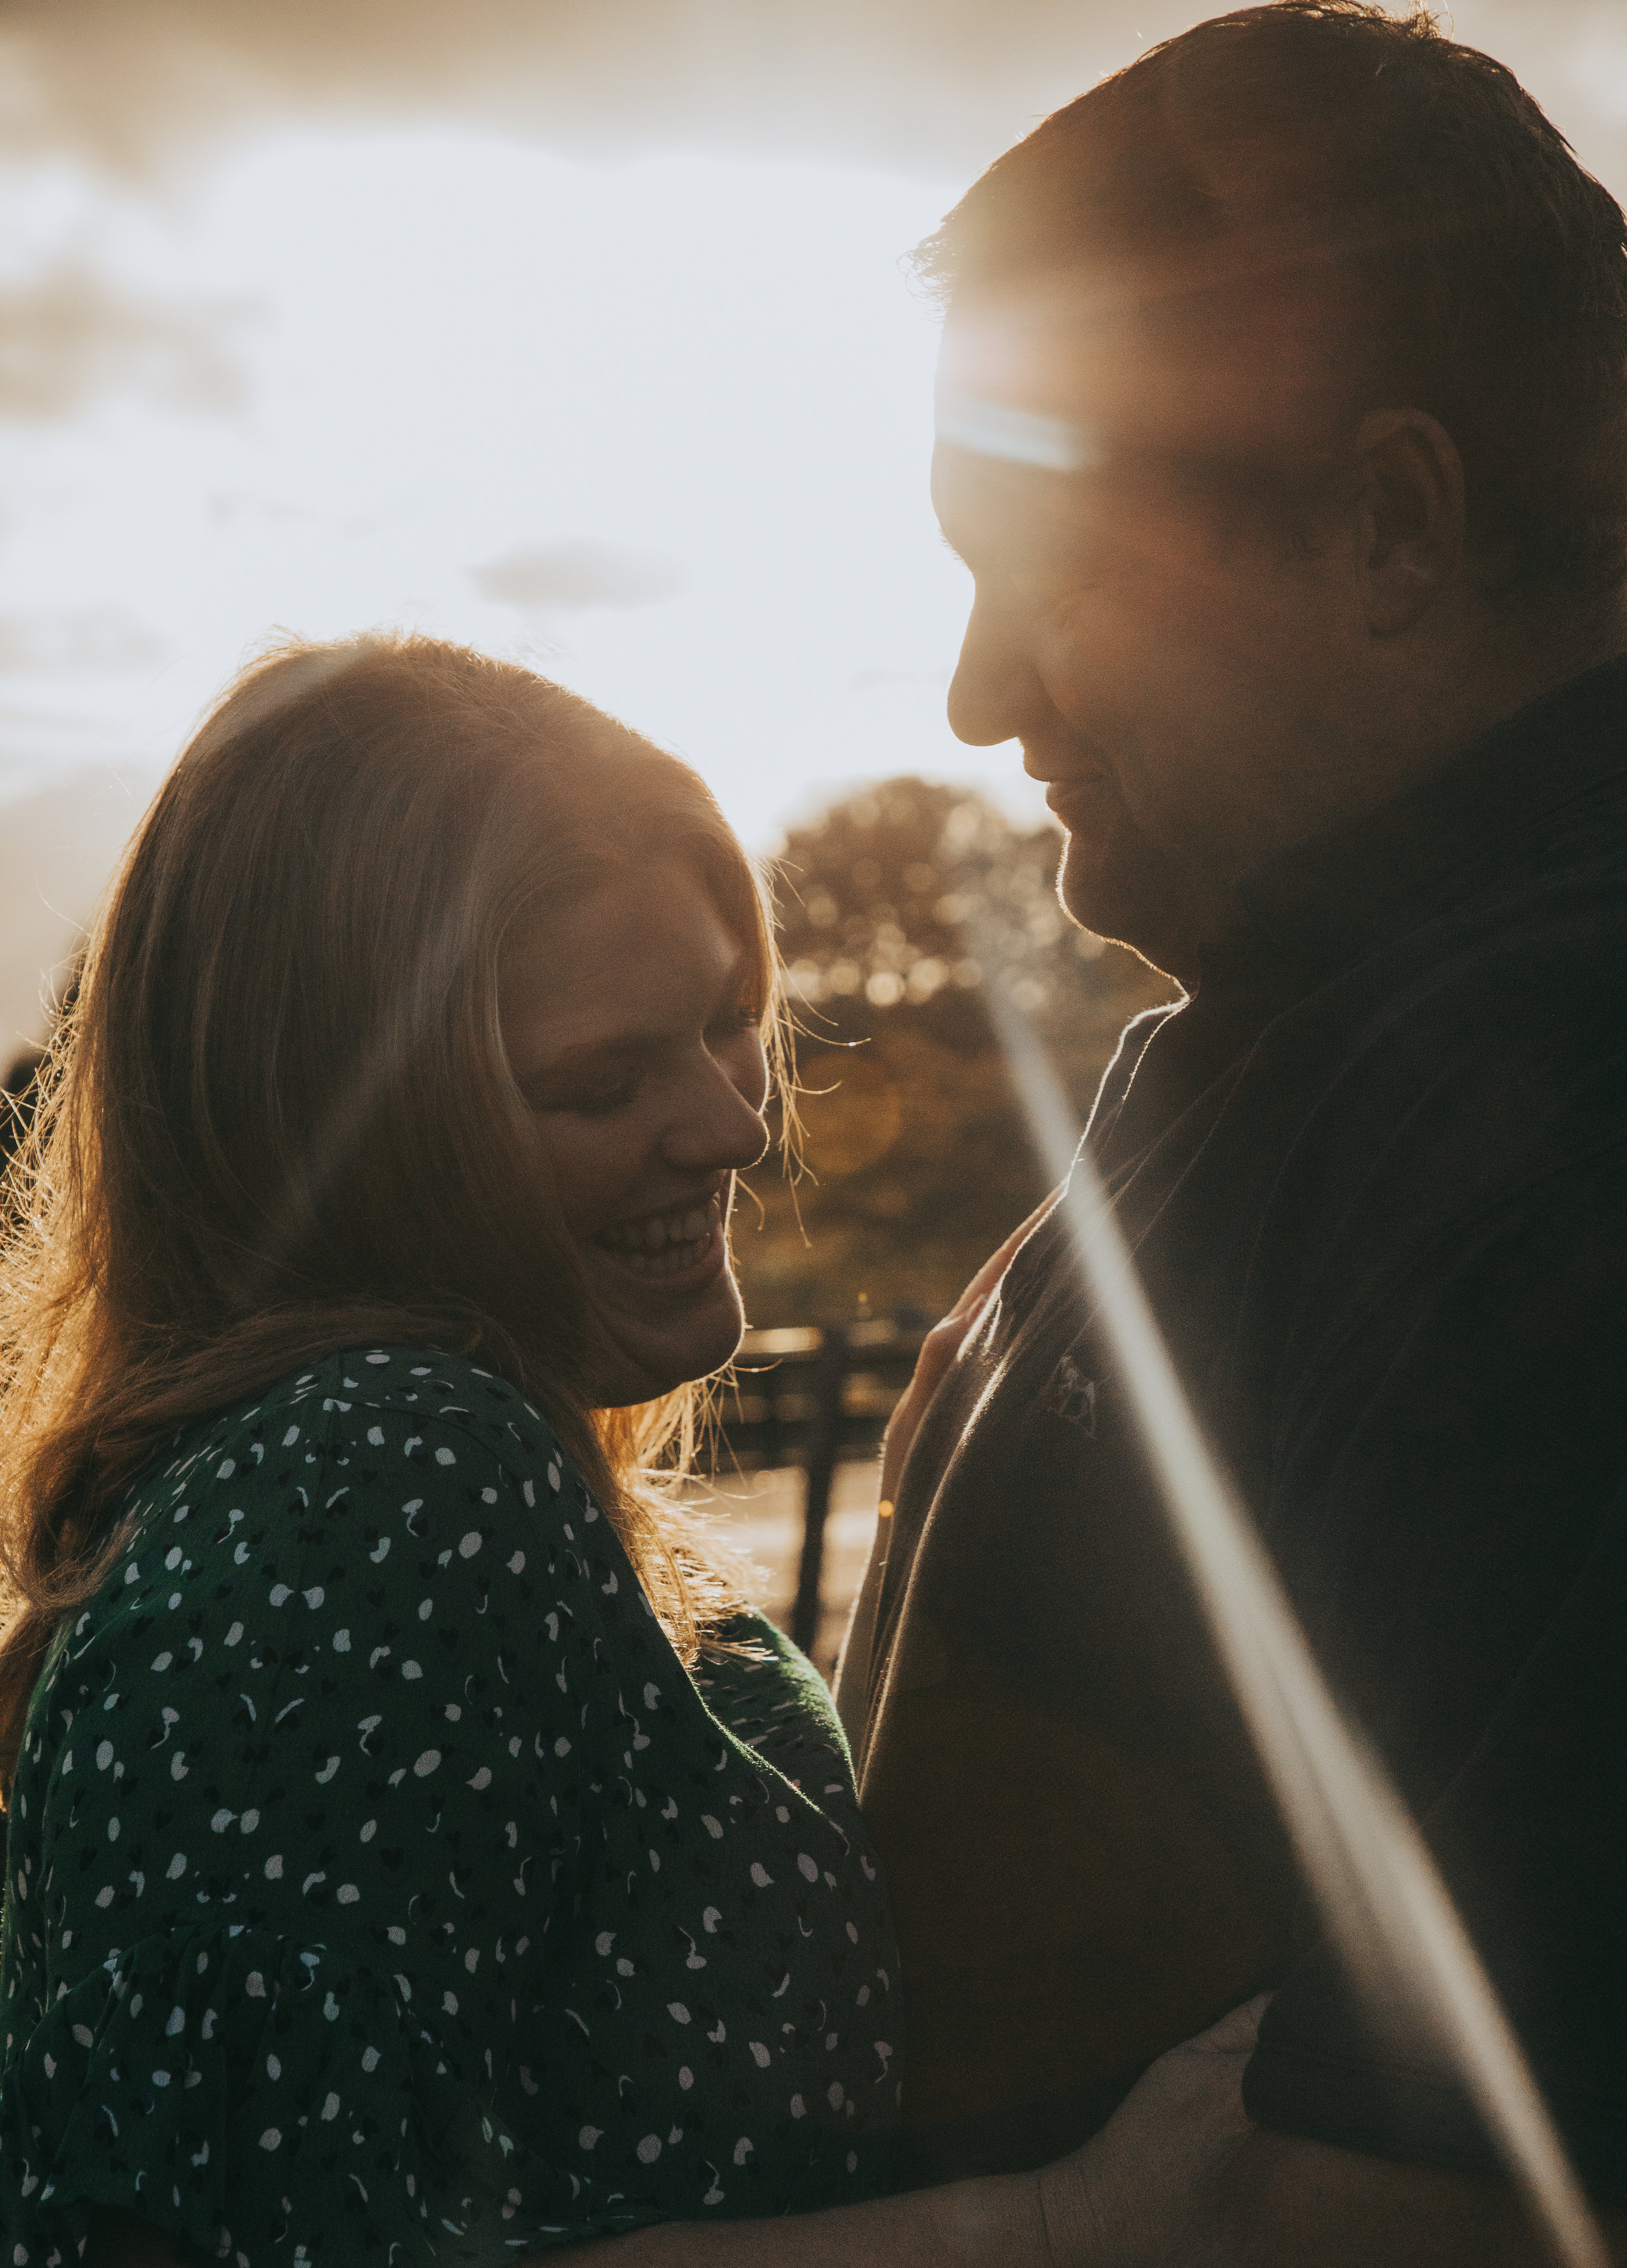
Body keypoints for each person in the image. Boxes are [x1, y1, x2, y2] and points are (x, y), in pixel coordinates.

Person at [0, 633, 1254, 2268]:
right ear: (350, 1129)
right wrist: (1068, 2225)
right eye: (602, 1081)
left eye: (731, 1021)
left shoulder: (386, 1476)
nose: (737, 1123)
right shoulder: (386, 1481)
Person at [834, 3, 1627, 2261]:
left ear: (1394, 524)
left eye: (1042, 565)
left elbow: (1420, 2204)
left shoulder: (1569, 1111)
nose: (977, 695)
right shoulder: (1300, 1023)